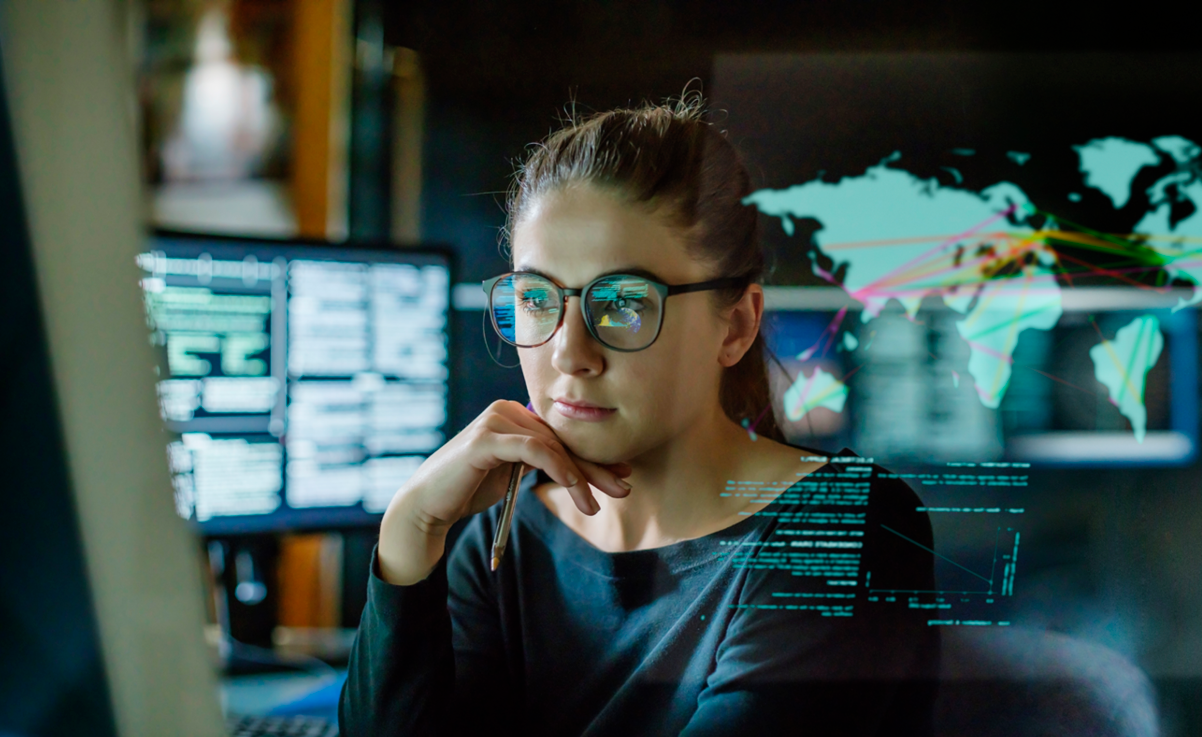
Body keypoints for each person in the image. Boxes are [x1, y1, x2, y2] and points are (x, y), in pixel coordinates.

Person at [340, 95, 939, 736]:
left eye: (624, 304)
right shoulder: (502, 543)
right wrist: (409, 528)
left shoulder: (848, 530)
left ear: (734, 326)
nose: (570, 353)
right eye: (537, 298)